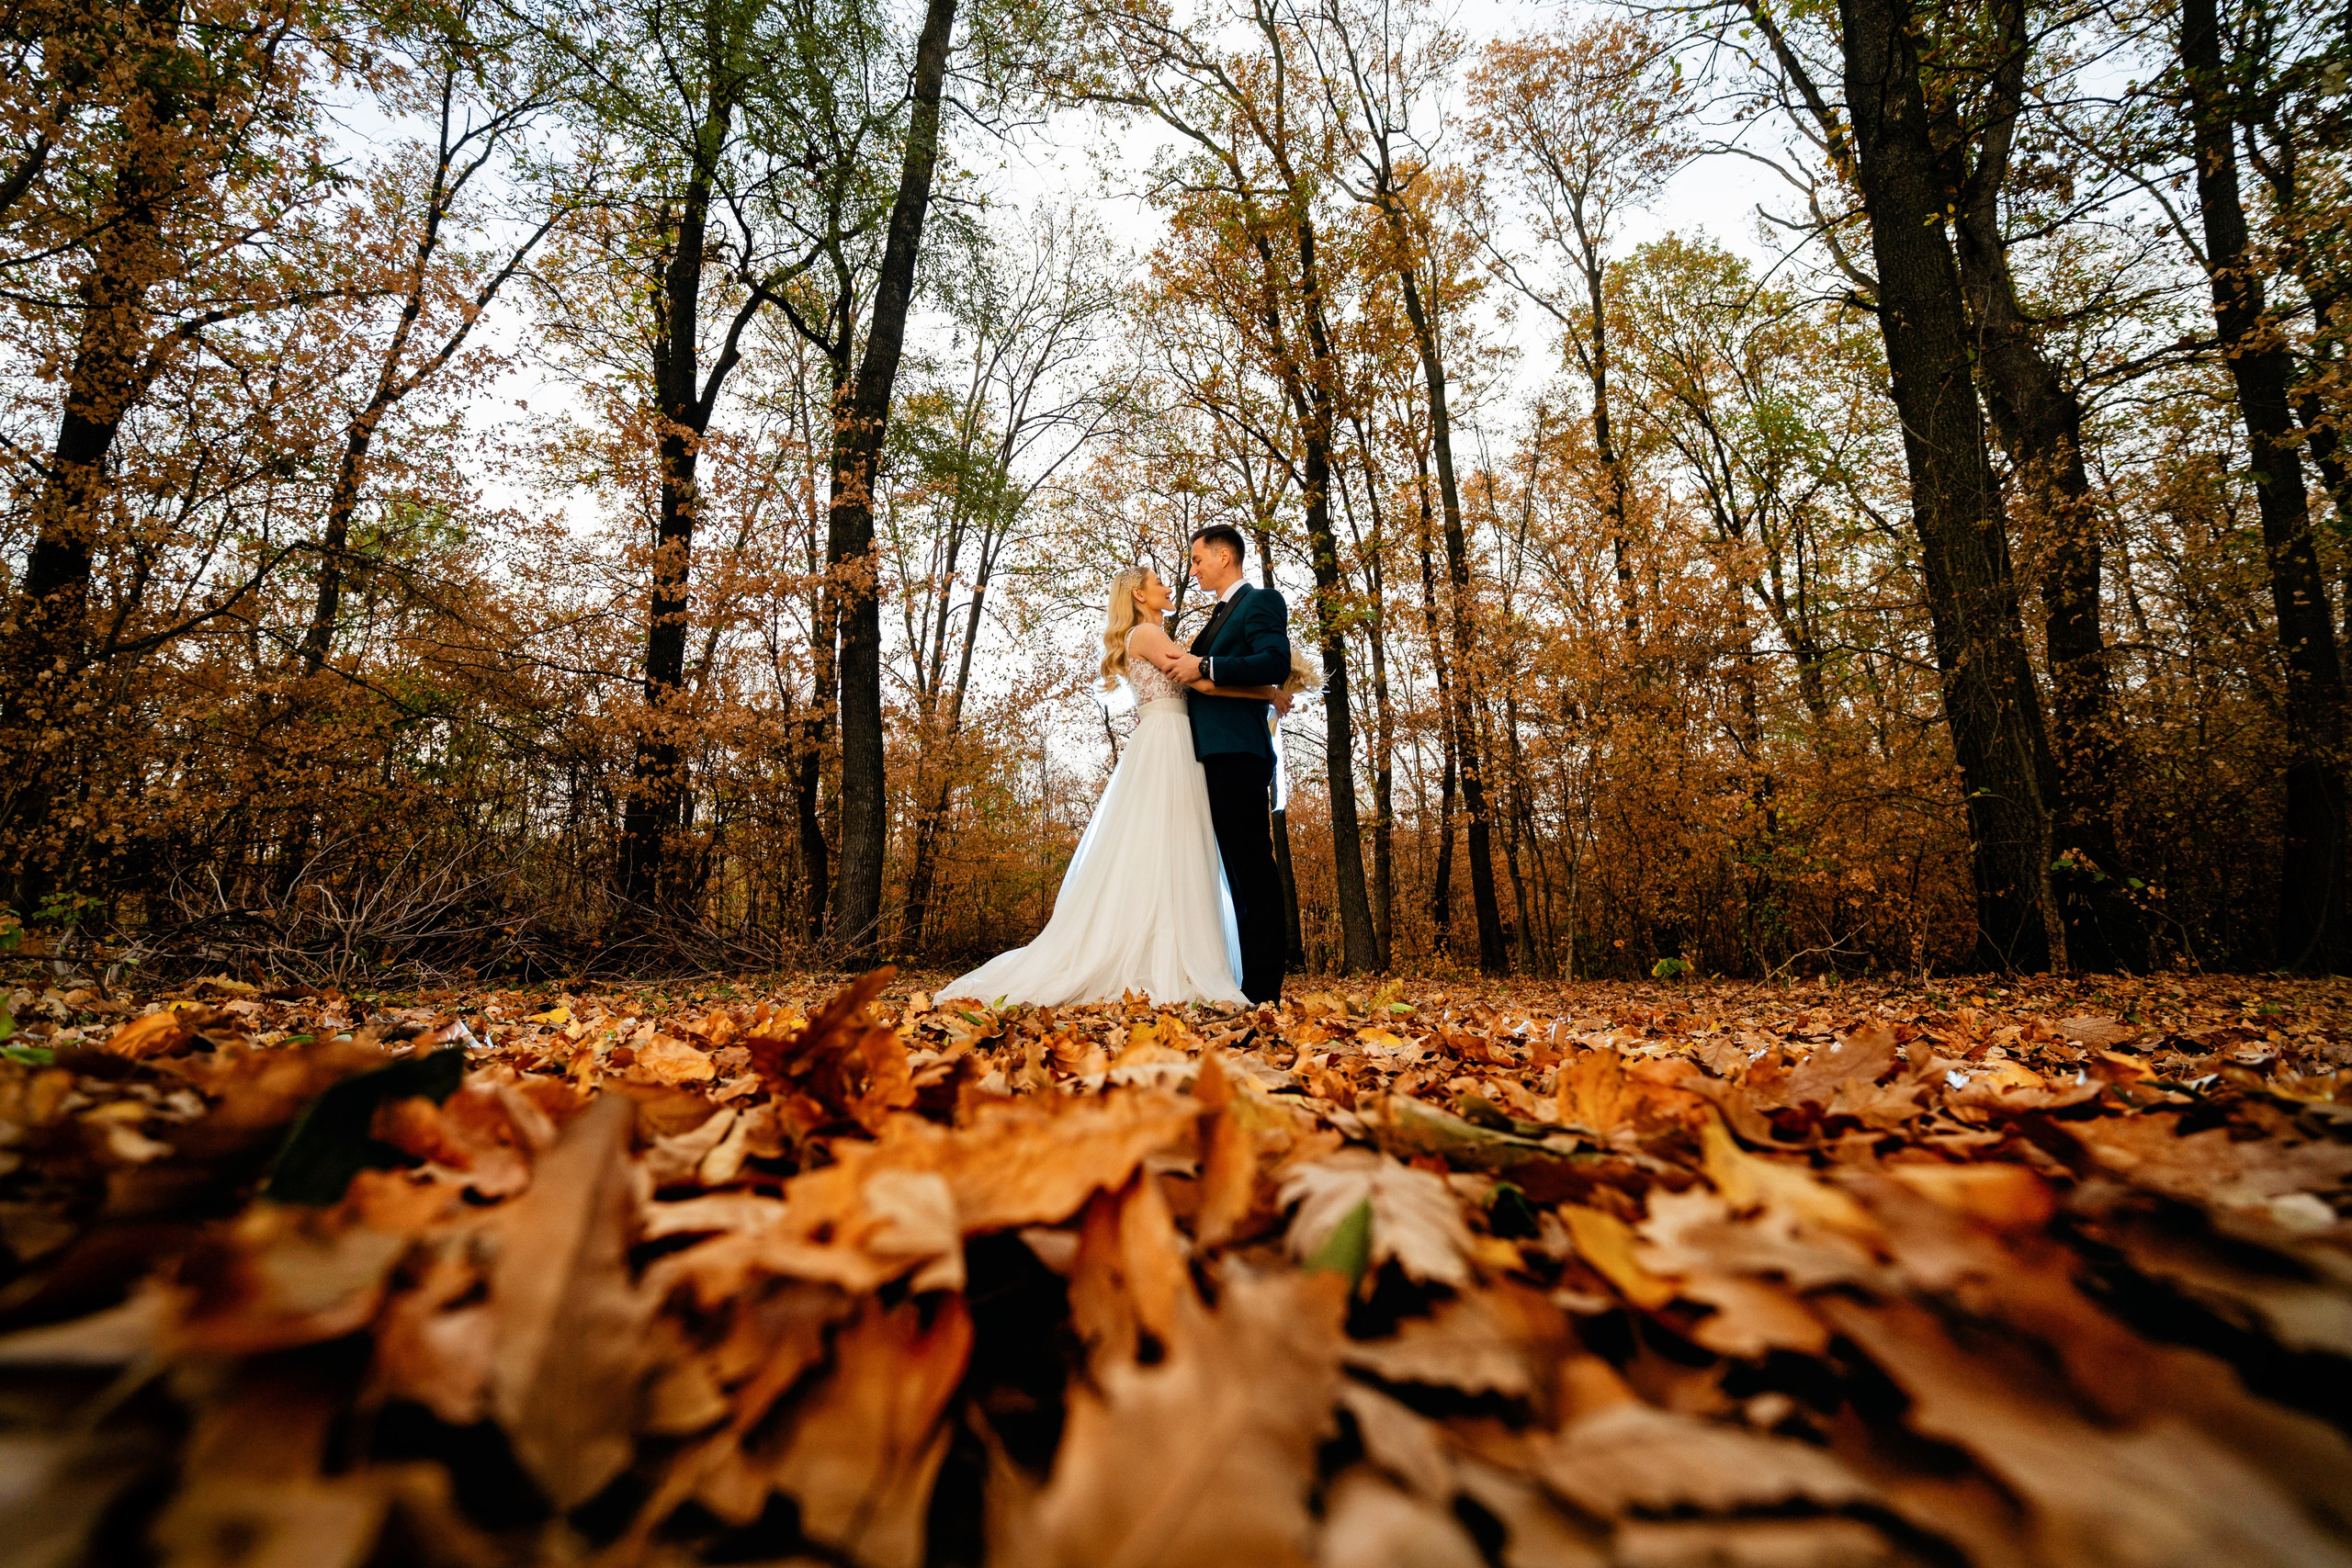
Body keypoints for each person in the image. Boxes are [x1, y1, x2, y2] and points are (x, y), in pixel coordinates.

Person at [935, 556, 1295, 1008]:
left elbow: (1203, 675)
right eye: (1159, 582)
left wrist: (1264, 690)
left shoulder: (1155, 635)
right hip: (1168, 740)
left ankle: (1174, 950)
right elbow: (1202, 684)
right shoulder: (1147, 634)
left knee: (1170, 849)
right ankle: (1164, 956)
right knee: (1171, 846)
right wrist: (1270, 692)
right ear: (1139, 595)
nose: (1171, 586)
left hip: (1176, 739)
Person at [1163, 525, 1293, 1005]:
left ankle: (1264, 989)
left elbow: (1274, 661)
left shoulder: (1260, 601)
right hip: (1213, 754)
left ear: (1223, 556)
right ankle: (1250, 984)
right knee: (1237, 871)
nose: (1193, 569)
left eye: (1197, 560)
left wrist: (1206, 666)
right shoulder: (1218, 615)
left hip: (1238, 751)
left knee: (1253, 868)